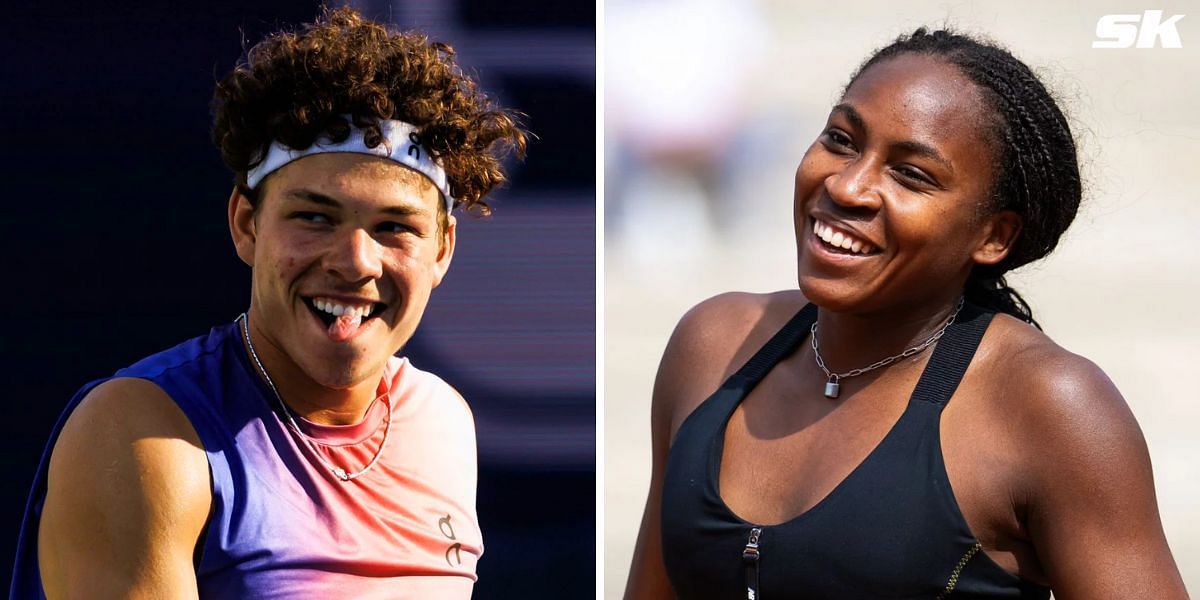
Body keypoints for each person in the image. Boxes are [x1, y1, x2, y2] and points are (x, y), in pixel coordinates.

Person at [624, 28, 1188, 599]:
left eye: (911, 174)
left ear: (994, 236)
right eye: (841, 140)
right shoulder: (715, 345)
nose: (848, 186)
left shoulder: (1050, 406)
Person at [11, 7, 525, 599]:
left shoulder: (444, 420)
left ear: (442, 250)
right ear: (247, 225)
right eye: (313, 217)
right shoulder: (136, 434)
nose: (355, 261)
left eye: (393, 227)